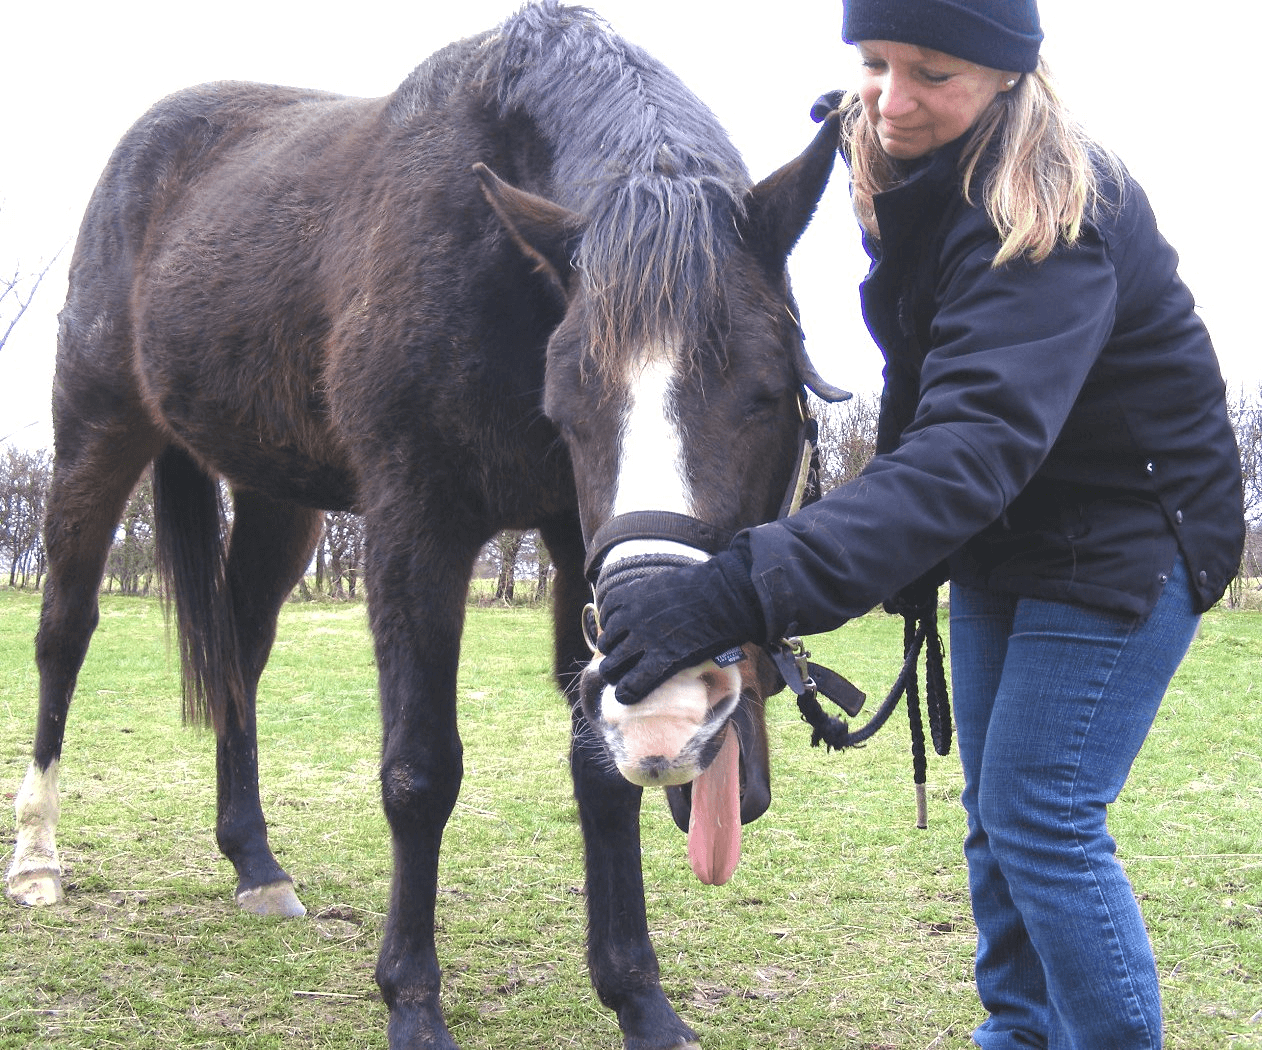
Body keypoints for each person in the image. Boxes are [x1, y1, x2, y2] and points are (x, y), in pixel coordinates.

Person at [594, 0, 1246, 1046]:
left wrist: (739, 586)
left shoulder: (1049, 212)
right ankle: (1014, 1036)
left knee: (1041, 821)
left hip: (1128, 532)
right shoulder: (910, 174)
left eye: (931, 73)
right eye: (873, 62)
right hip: (1007, 530)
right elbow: (927, 391)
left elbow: (976, 438)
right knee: (997, 827)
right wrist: (895, 557)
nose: (891, 101)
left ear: (1003, 75)